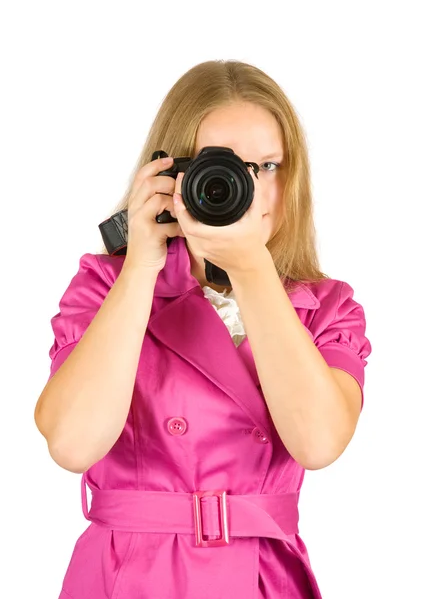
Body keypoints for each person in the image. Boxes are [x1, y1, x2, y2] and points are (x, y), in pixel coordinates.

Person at [34, 59, 372, 599]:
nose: (244, 187)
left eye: (265, 166)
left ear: (292, 177)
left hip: (261, 577)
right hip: (128, 577)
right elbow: (72, 444)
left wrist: (251, 267)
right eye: (223, 167)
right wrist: (141, 265)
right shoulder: (105, 285)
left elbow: (319, 442)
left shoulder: (326, 307)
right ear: (170, 175)